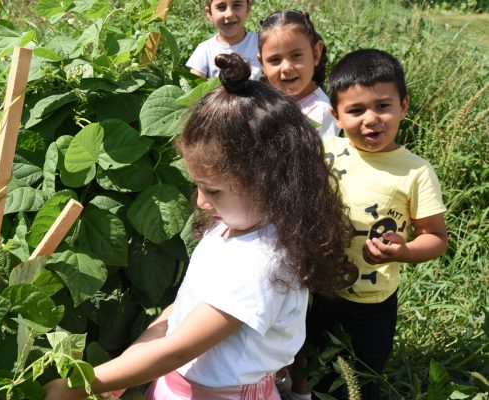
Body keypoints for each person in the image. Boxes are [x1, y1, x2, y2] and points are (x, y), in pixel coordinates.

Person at [43, 53, 356, 400]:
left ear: (269, 182)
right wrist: (125, 368)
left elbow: (177, 350)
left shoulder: (260, 263)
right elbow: (181, 310)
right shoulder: (234, 226)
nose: (202, 202)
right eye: (199, 186)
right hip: (180, 384)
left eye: (213, 190)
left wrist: (80, 383)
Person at [292, 49, 449, 400]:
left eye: (383, 106)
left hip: (372, 302)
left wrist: (404, 251)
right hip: (318, 289)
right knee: (311, 368)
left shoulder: (415, 171)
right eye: (356, 110)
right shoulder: (323, 152)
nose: (371, 119)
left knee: (363, 381)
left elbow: (436, 237)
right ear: (336, 114)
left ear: (404, 106)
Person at [257, 10, 338, 139]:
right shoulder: (262, 100)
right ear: (262, 63)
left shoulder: (321, 112)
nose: (287, 68)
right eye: (275, 60)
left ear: (316, 53)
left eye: (296, 56)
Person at [186, 0, 262, 80]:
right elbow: (194, 88)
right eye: (221, 7)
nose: (229, 14)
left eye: (236, 5)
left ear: (247, 9)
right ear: (209, 13)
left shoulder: (261, 43)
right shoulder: (204, 50)